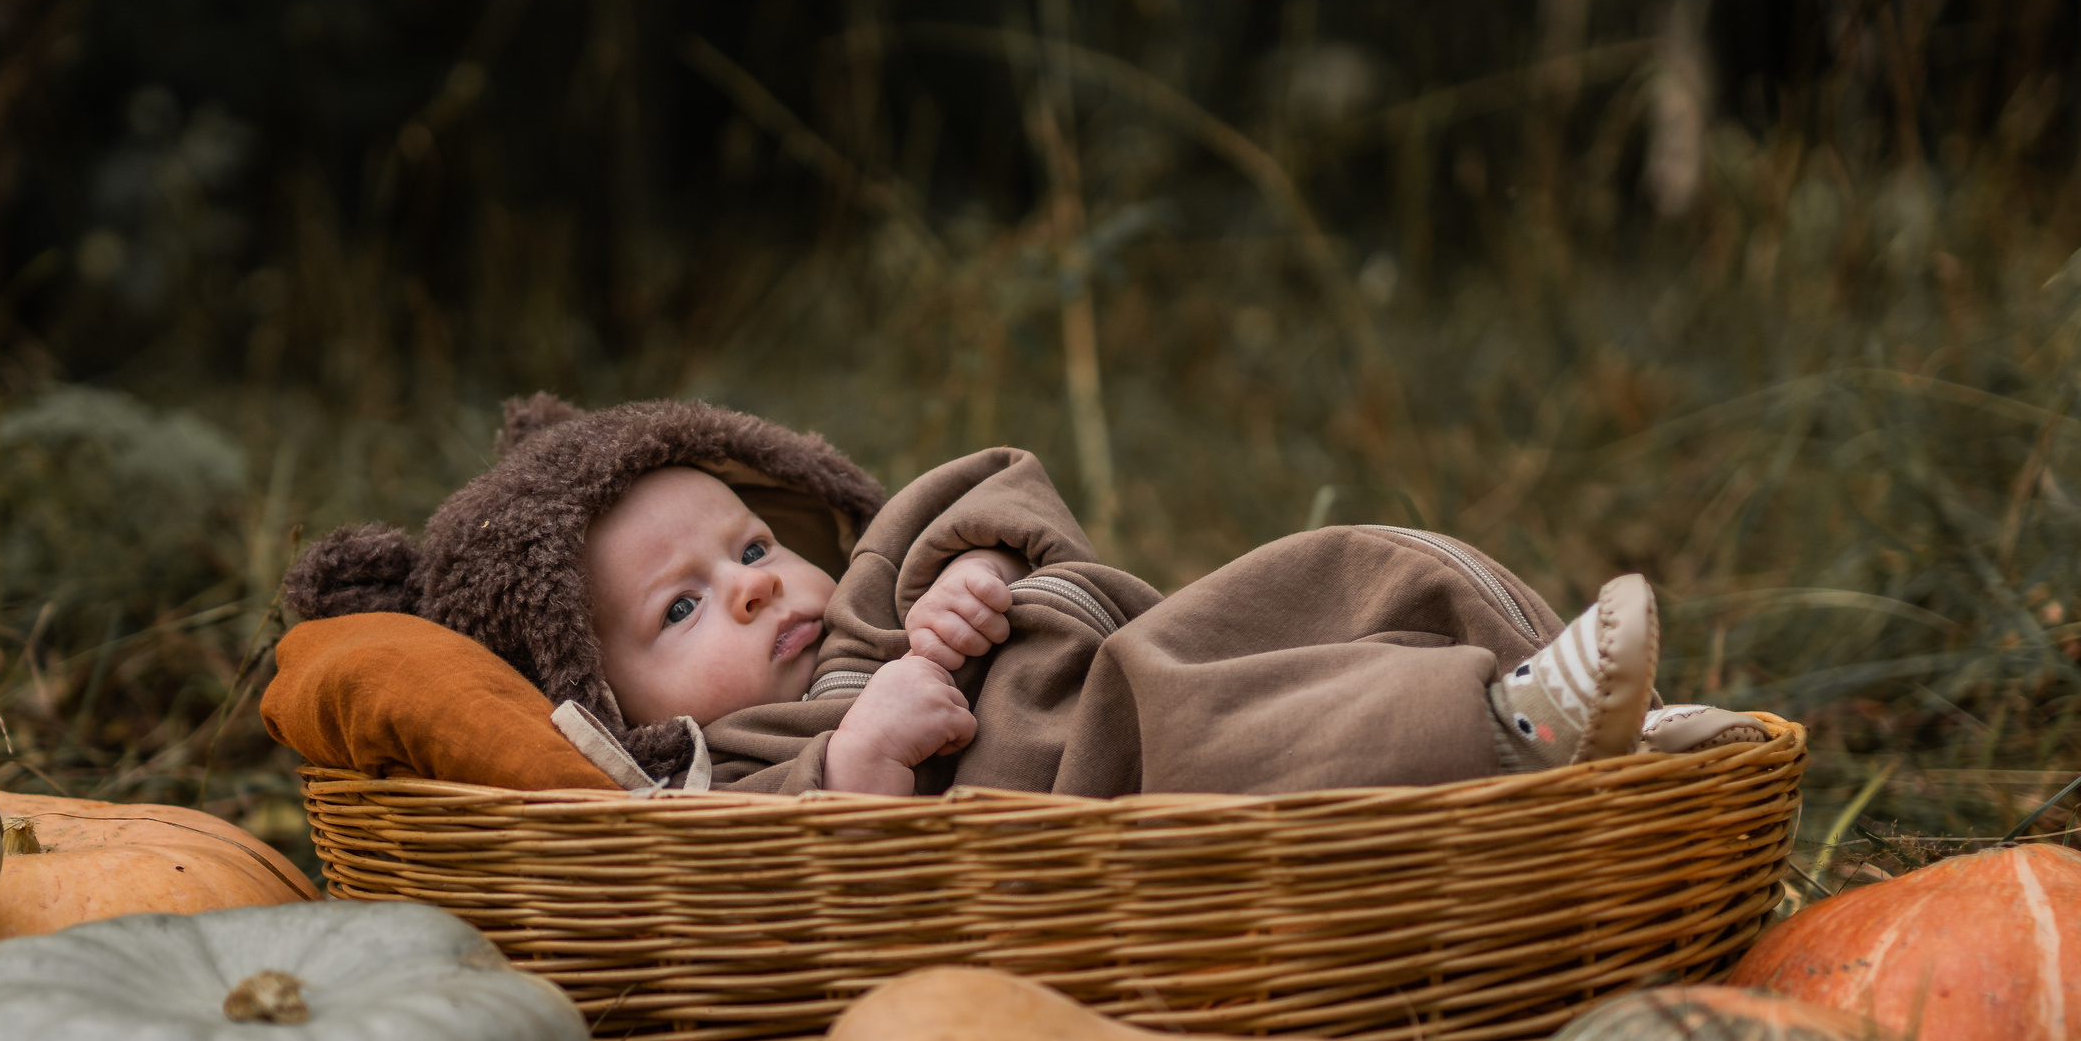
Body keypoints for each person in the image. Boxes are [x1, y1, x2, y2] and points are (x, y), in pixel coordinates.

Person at [282, 395, 1764, 795]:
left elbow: (985, 486)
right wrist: (858, 759)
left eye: (745, 549)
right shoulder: (712, 772)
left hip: (1145, 655)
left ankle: (1556, 693)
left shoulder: (862, 596)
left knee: (1319, 580)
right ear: (605, 703)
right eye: (677, 616)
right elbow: (771, 882)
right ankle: (1513, 725)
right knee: (1254, 730)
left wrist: (972, 576)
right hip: (1122, 762)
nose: (747, 595)